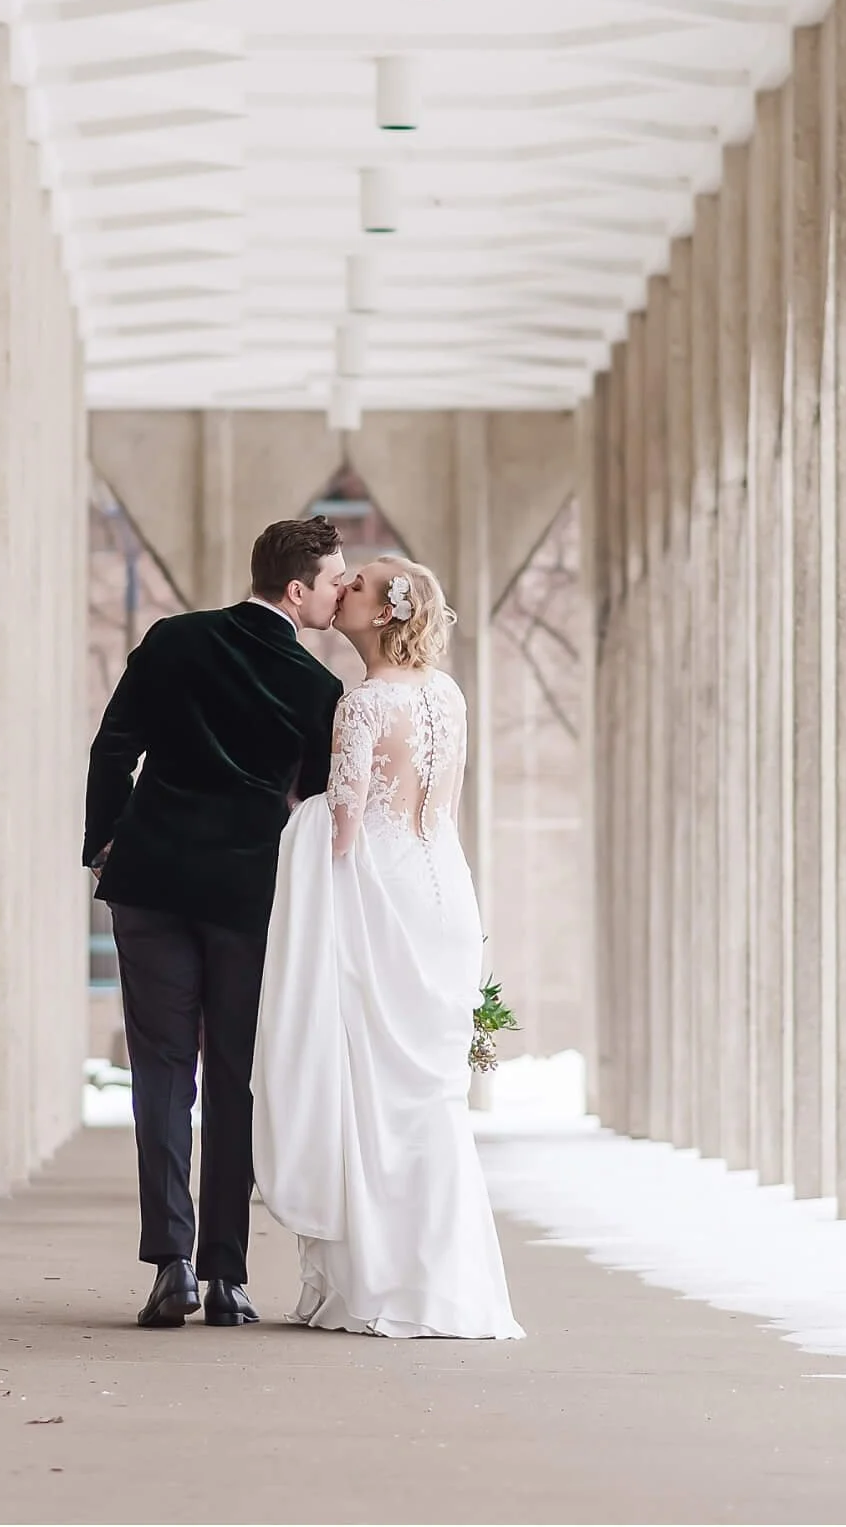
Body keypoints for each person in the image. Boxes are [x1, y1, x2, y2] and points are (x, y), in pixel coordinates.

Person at [82, 517, 348, 1328]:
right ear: (296, 589)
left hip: (152, 881)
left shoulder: (173, 639)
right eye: (335, 581)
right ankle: (228, 1276)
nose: (342, 594)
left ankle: (172, 1264)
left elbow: (112, 746)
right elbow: (309, 802)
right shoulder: (317, 688)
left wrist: (104, 842)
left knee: (162, 1075)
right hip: (246, 897)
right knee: (233, 1078)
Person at [251, 556, 525, 1339]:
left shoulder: (362, 704)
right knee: (430, 1094)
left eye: (358, 584)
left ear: (381, 615)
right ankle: (447, 1280)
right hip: (441, 892)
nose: (343, 590)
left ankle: (379, 1280)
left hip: (377, 899)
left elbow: (341, 827)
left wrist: (293, 827)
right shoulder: (448, 694)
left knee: (372, 1090)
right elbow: (441, 808)